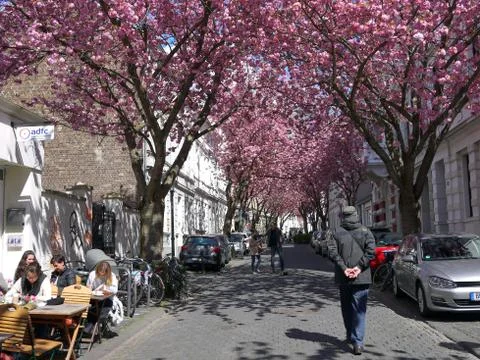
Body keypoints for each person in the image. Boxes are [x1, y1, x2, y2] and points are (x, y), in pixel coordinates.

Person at [327, 206, 375, 355]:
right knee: (359, 310)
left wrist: (345, 269)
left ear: (342, 217)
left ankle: (350, 336)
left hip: (343, 277)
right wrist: (359, 268)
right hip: (362, 277)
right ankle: (358, 342)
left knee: (347, 308)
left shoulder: (335, 232)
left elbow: (332, 253)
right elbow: (371, 252)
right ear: (356, 215)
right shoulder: (366, 231)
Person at [85, 261, 118, 333]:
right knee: (90, 307)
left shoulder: (112, 276)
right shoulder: (92, 274)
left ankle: (89, 327)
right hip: (94, 297)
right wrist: (89, 288)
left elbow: (115, 290)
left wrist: (107, 290)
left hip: (107, 299)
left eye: (103, 272)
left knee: (99, 308)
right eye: (100, 272)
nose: (101, 274)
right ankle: (89, 327)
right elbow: (88, 287)